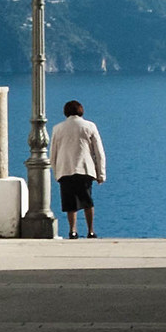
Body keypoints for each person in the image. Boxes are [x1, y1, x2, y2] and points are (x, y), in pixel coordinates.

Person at [49, 99, 106, 239]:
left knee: (70, 204)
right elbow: (99, 151)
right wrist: (101, 173)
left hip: (65, 169)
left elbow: (53, 153)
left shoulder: (58, 128)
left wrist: (56, 173)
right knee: (87, 201)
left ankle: (72, 230)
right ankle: (91, 230)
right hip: (85, 168)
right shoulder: (90, 126)